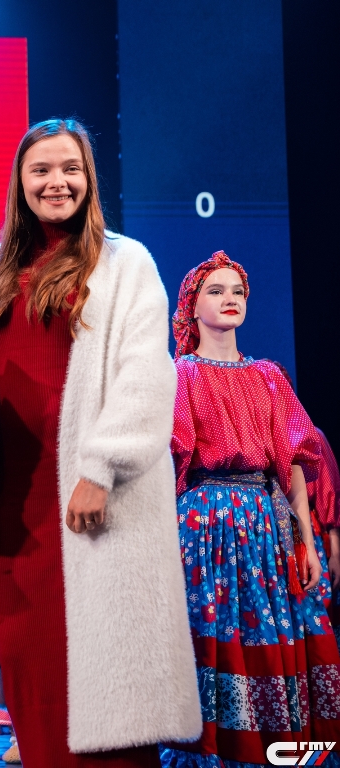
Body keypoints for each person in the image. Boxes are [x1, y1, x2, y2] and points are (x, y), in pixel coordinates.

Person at [0, 118, 200, 766]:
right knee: (30, 663)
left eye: (70, 168)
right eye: (40, 169)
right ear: (19, 181)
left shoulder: (125, 263)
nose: (56, 182)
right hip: (16, 501)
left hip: (98, 496)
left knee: (109, 680)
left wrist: (101, 468)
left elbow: (145, 374)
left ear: (89, 178)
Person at [163, 252, 340, 766]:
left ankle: (272, 750)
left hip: (265, 524)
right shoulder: (181, 375)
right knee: (215, 635)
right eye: (216, 291)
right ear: (192, 307)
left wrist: (306, 541)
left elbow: (294, 465)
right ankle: (214, 751)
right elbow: (168, 462)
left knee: (273, 631)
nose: (230, 299)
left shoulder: (268, 376)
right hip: (205, 526)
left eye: (237, 291)